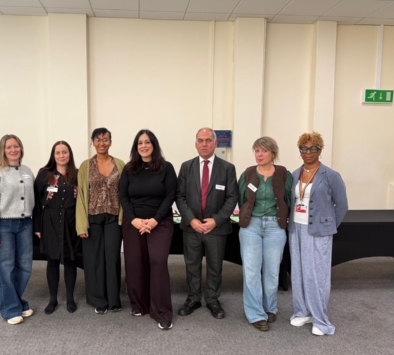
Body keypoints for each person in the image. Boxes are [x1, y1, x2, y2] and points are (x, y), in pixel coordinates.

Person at [288, 131, 348, 336]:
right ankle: (302, 311)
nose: (308, 152)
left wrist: (328, 226)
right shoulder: (294, 174)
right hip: (296, 228)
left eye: (313, 148)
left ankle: (320, 320)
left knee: (317, 275)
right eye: (304, 148)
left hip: (318, 231)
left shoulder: (331, 175)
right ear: (300, 151)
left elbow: (342, 205)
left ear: (320, 150)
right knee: (298, 272)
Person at [176, 127, 238, 319]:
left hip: (216, 229)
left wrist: (216, 220)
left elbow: (232, 197)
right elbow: (180, 196)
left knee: (215, 266)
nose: (204, 144)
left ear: (215, 143)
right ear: (196, 144)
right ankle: (193, 298)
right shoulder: (186, 167)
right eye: (201, 140)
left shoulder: (227, 168)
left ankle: (212, 299)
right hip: (192, 227)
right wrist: (192, 220)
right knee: (192, 264)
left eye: (208, 140)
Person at [119, 129, 177, 330]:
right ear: (136, 147)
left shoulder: (166, 168)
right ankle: (139, 305)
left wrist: (154, 220)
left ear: (154, 145)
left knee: (158, 261)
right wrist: (134, 220)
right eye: (140, 143)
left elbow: (170, 195)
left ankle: (162, 311)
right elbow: (123, 196)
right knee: (135, 263)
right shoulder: (129, 169)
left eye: (147, 142)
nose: (143, 146)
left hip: (160, 222)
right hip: (134, 223)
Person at [237, 137, 292, 331]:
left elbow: (288, 199)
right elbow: (242, 199)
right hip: (251, 225)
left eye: (264, 151)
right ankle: (255, 313)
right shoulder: (248, 173)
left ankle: (270, 307)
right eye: (257, 151)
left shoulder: (284, 174)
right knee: (251, 271)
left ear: (273, 153)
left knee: (272, 271)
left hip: (275, 226)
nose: (259, 155)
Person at [0, 134, 35, 325]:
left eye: (16, 146)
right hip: (4, 226)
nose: (13, 150)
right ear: (2, 151)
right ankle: (10, 309)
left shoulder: (27, 171)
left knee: (25, 266)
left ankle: (17, 302)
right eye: (9, 147)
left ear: (21, 148)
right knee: (5, 268)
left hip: (25, 224)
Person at [76, 128, 124, 315]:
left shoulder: (120, 164)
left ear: (110, 142)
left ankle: (113, 299)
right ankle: (98, 300)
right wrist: (81, 225)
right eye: (98, 139)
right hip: (92, 218)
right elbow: (81, 196)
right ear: (92, 142)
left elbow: (124, 193)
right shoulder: (86, 166)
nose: (101, 143)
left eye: (105, 139)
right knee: (94, 259)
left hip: (114, 218)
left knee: (112, 258)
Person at [33, 141, 78, 314]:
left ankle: (70, 298)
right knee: (52, 261)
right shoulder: (44, 174)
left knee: (70, 260)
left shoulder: (76, 174)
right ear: (53, 155)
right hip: (50, 222)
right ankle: (53, 299)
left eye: (64, 152)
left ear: (69, 154)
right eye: (58, 152)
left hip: (70, 222)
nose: (61, 156)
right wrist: (37, 226)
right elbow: (36, 201)